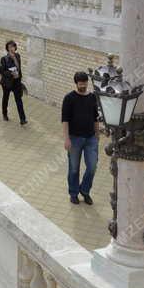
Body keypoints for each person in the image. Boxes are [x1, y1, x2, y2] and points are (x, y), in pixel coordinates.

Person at [61, 71, 100, 205]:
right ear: (76, 83)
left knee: (92, 167)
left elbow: (95, 117)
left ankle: (85, 190)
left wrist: (97, 134)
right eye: (80, 83)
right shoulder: (69, 98)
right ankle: (73, 193)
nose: (83, 85)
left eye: (84, 82)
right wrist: (66, 139)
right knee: (73, 168)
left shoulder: (92, 98)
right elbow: (65, 120)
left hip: (91, 139)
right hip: (74, 139)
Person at [0, 40, 27, 125]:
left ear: (15, 47)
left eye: (13, 46)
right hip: (7, 82)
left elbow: (19, 69)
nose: (12, 48)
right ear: (7, 48)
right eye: (10, 47)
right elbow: (1, 71)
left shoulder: (18, 56)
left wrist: (20, 79)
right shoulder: (4, 59)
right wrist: (11, 73)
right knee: (5, 98)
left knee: (19, 100)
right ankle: (4, 114)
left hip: (16, 82)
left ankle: (22, 119)